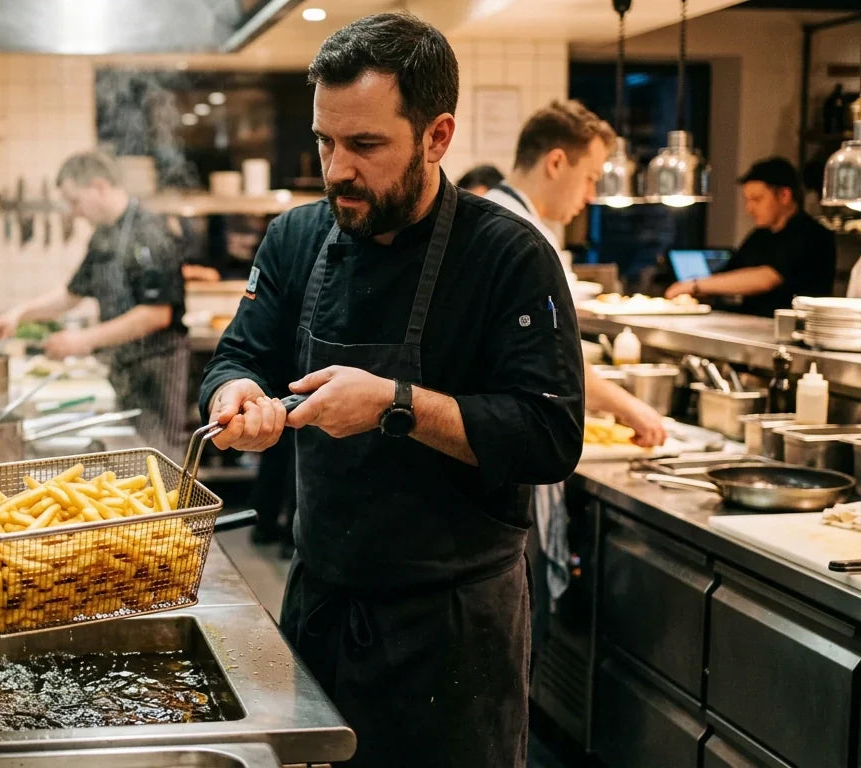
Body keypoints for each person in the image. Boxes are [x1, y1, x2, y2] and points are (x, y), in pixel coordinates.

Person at [199, 12, 585, 766]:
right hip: (321, 606)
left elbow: (548, 434)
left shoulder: (508, 257)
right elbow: (238, 353)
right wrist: (235, 395)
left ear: (436, 136)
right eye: (325, 141)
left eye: (365, 145)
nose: (337, 167)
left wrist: (394, 405)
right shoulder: (296, 238)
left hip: (453, 634)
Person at [485, 100, 667, 448]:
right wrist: (629, 407)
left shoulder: (485, 215)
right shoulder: (529, 240)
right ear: (555, 163)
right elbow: (556, 361)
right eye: (590, 178)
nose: (590, 195)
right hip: (514, 432)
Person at [0, 151, 189, 454]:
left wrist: (84, 339)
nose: (73, 212)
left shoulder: (150, 230)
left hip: (157, 368)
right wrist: (19, 313)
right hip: (123, 365)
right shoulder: (103, 236)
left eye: (75, 201)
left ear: (98, 186)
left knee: (161, 455)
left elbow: (156, 313)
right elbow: (72, 293)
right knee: (134, 451)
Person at [666, 157, 837, 316]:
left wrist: (694, 286)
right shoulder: (760, 236)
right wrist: (691, 291)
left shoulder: (812, 234)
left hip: (796, 332)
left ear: (785, 195)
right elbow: (730, 273)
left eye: (757, 199)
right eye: (747, 200)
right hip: (753, 327)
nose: (749, 208)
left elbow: (766, 279)